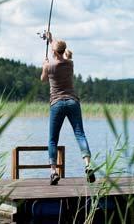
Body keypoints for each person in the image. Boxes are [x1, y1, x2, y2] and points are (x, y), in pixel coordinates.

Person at [41, 32, 95, 185]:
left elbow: (43, 79)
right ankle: (88, 165)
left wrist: (44, 65)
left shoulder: (49, 66)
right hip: (72, 102)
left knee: (53, 139)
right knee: (80, 134)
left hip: (56, 104)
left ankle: (53, 172)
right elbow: (59, 48)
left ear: (53, 51)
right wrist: (51, 38)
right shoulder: (70, 63)